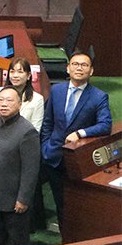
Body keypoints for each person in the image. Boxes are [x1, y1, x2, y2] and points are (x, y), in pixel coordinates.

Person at [41, 51, 112, 221]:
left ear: (91, 71)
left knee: (75, 206)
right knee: (59, 203)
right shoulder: (56, 90)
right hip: (53, 156)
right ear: (68, 68)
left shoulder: (98, 96)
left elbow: (105, 125)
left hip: (77, 160)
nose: (79, 68)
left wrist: (80, 133)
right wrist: (45, 146)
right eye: (75, 64)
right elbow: (48, 122)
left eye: (84, 65)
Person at [0, 87, 41, 245]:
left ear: (19, 104)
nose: (4, 104)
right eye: (0, 100)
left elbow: (30, 170)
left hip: (15, 201)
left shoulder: (27, 131)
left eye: (9, 100)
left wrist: (23, 199)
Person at [0, 57, 44, 131]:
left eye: (20, 72)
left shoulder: (37, 99)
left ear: (28, 75)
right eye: (12, 72)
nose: (15, 75)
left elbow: (36, 129)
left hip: (25, 140)